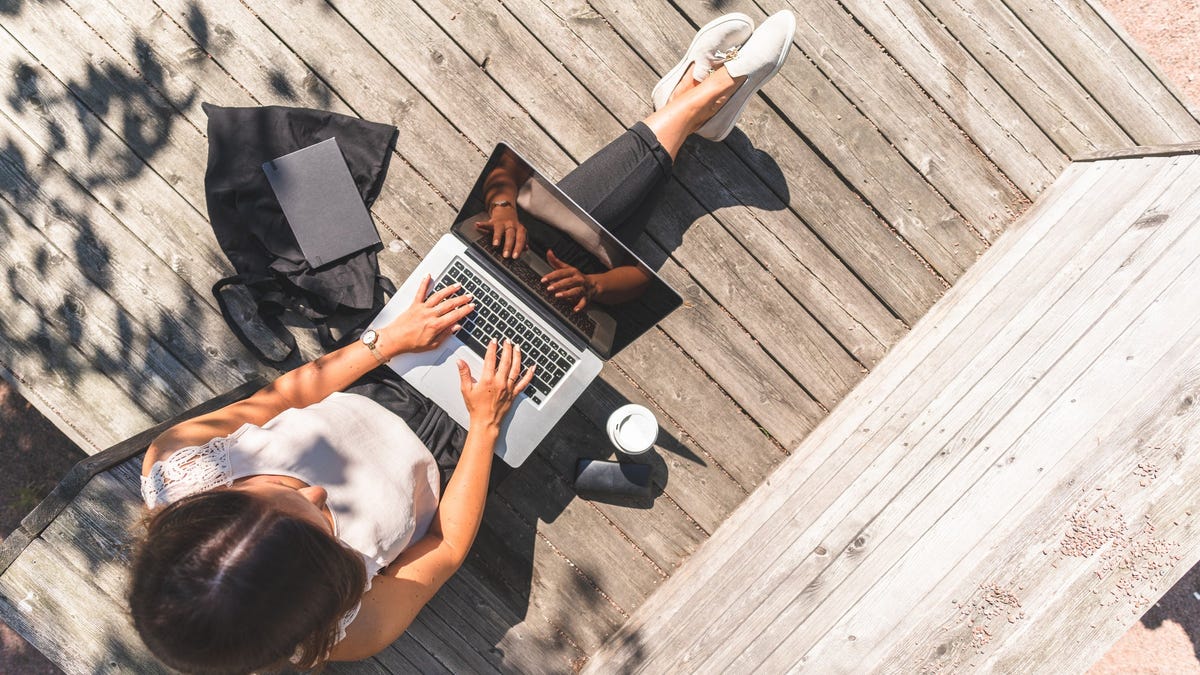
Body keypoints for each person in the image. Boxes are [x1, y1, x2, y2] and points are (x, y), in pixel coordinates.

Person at [128, 10, 795, 673]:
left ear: (207, 503)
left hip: (378, 371)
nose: (315, 493)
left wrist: (386, 342)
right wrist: (483, 424)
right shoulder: (347, 625)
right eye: (318, 525)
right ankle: (689, 106)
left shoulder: (175, 465)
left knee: (507, 256)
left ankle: (684, 113)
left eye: (282, 494)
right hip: (461, 451)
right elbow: (444, 546)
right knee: (569, 295)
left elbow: (282, 393)